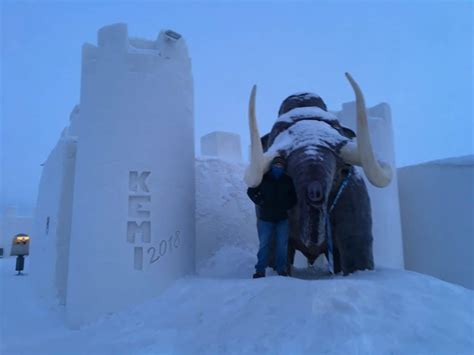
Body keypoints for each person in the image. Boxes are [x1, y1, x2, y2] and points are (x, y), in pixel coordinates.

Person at [247, 156, 297, 278]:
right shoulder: (263, 178)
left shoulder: (287, 180)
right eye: (276, 165)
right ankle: (260, 270)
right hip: (265, 219)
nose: (278, 167)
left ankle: (281, 270)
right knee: (264, 245)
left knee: (282, 246)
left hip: (282, 219)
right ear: (272, 166)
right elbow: (251, 191)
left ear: (283, 168)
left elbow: (294, 197)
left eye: (280, 166)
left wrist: (287, 205)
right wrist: (260, 201)